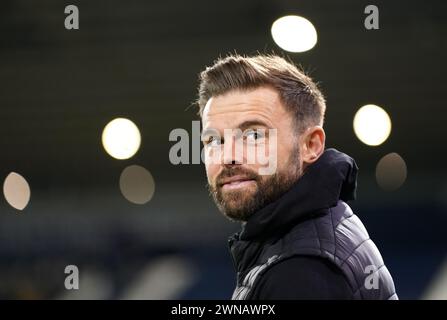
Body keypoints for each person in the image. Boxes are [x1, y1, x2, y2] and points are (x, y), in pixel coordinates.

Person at [196, 54, 398, 300]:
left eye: (253, 136)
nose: (228, 157)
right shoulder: (318, 231)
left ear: (311, 145)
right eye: (214, 140)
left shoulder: (300, 271)